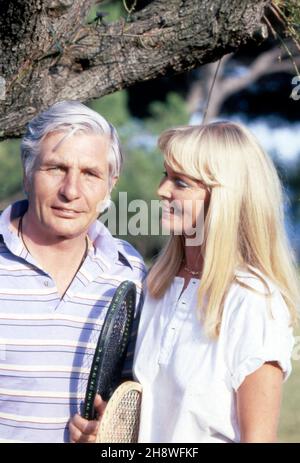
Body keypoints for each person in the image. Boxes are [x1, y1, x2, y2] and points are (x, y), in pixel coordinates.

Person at [133, 121, 300, 443]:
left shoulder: (253, 301)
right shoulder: (157, 285)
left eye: (181, 182)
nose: (162, 190)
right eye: (165, 175)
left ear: (224, 198)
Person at [0, 101, 146, 443]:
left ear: (110, 185)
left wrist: (110, 434)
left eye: (90, 174)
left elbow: (135, 401)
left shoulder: (132, 272)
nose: (70, 191)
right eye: (55, 168)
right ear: (27, 172)